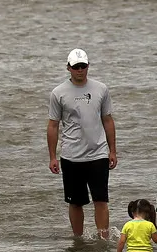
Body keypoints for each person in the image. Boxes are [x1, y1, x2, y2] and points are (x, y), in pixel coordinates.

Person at [47, 48, 117, 239]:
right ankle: (78, 240)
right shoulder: (58, 93)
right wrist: (52, 156)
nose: (80, 70)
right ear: (68, 68)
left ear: (88, 66)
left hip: (98, 153)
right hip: (71, 155)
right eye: (76, 67)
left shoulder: (101, 89)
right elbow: (53, 125)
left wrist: (113, 151)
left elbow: (108, 120)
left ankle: (103, 240)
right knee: (75, 202)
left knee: (101, 199)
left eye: (83, 66)